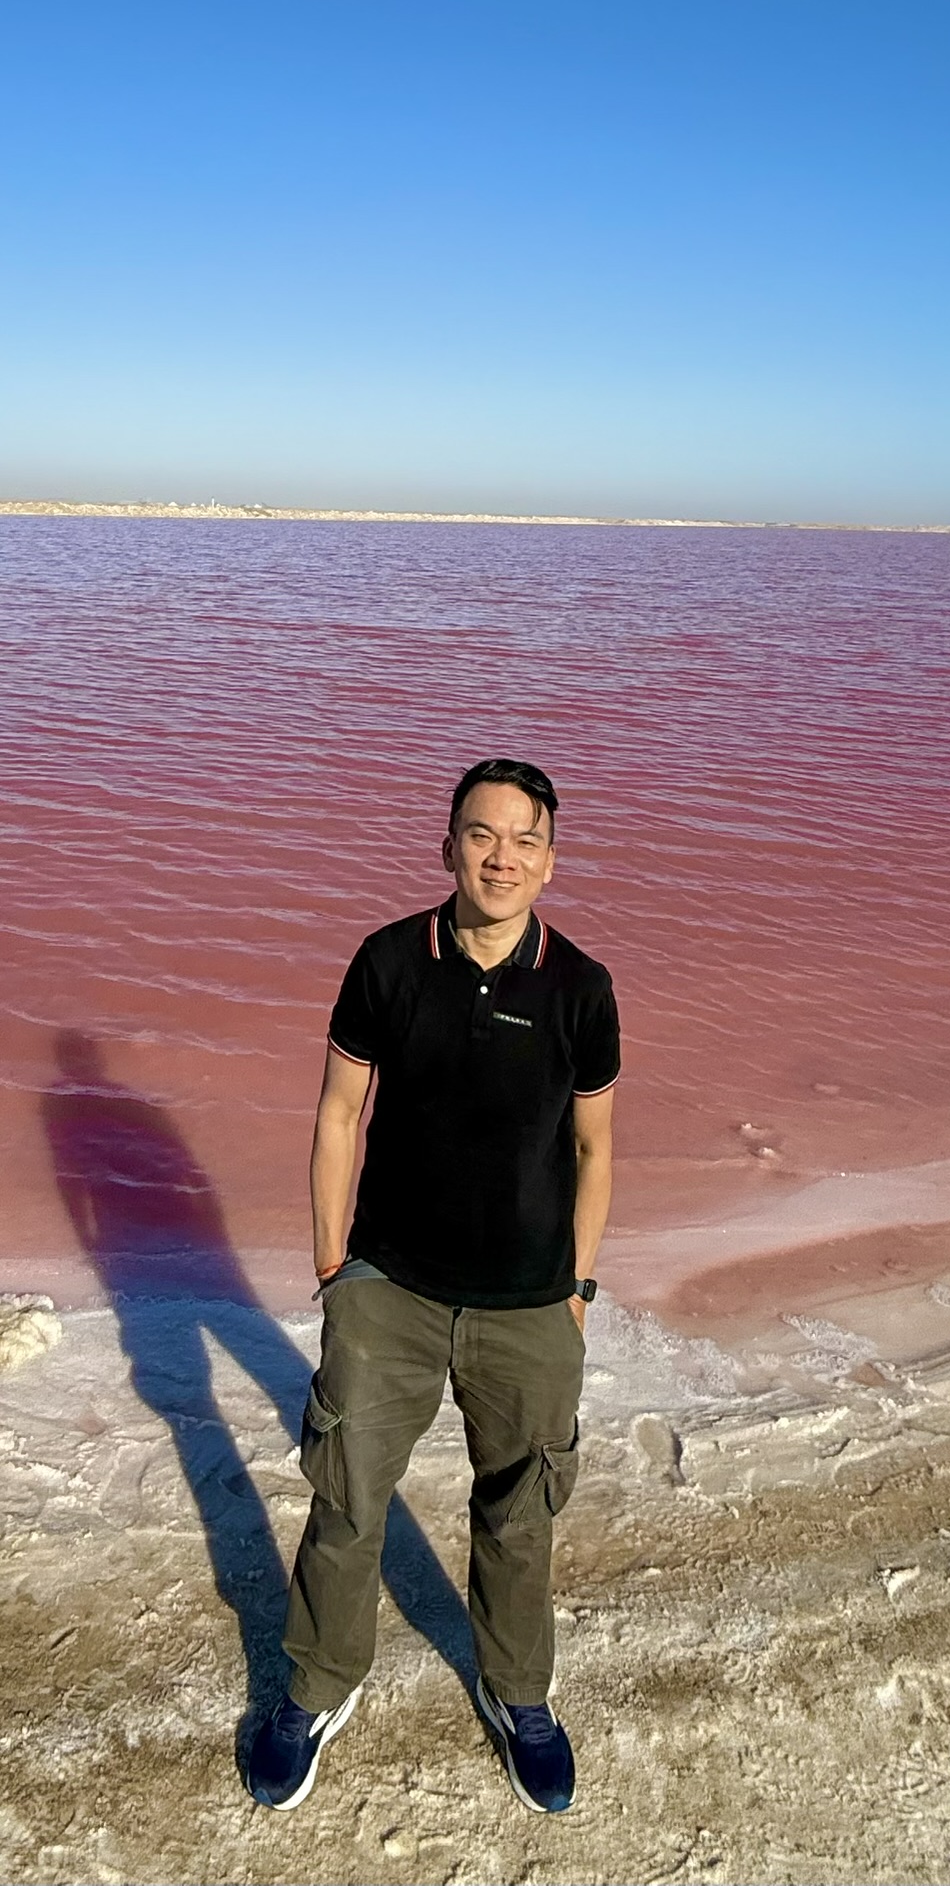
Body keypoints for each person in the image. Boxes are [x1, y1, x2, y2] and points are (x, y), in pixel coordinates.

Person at [245, 758, 619, 1814]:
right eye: (481, 834)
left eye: (524, 838)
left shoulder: (581, 986)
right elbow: (335, 1113)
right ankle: (318, 1685)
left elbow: (595, 1148)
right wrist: (335, 1269)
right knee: (346, 1498)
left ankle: (519, 1695)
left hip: (531, 1304)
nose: (502, 856)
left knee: (522, 1513)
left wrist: (579, 1285)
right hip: (390, 1291)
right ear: (447, 844)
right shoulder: (387, 961)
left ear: (551, 857)